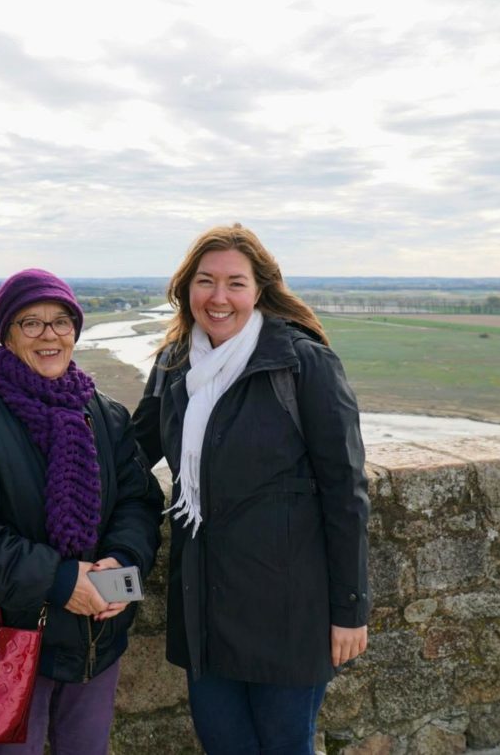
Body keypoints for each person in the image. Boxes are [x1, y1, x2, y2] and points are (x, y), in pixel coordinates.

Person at [133, 224, 370, 755]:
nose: (219, 298)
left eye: (235, 283)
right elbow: (131, 454)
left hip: (288, 612)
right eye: (205, 281)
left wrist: (350, 609)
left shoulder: (302, 363)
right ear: (186, 288)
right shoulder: (174, 364)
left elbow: (345, 492)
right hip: (205, 610)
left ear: (260, 290)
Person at [0, 268, 164, 755]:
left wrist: (121, 564)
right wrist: (61, 581)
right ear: (7, 334)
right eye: (31, 323)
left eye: (61, 322)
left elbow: (138, 501)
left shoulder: (105, 415)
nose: (49, 335)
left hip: (95, 641)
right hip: (8, 642)